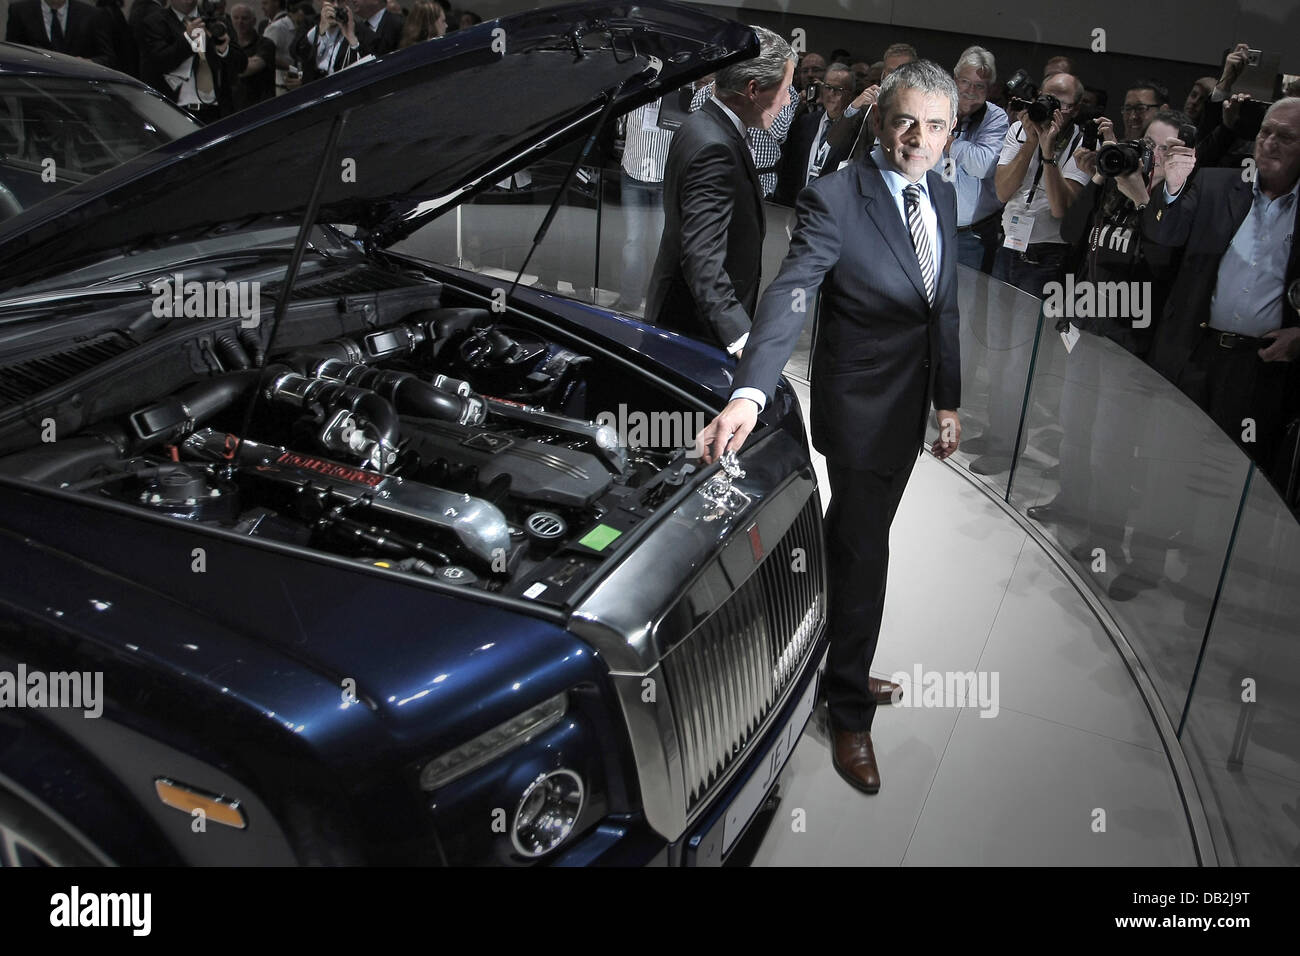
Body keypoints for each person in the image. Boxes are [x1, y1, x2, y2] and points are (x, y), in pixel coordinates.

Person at [696, 60, 962, 795]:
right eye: (906, 120)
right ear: (881, 119)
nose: (918, 138)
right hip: (862, 414)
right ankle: (847, 711)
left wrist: (949, 400)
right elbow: (791, 294)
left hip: (911, 409)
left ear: (950, 133)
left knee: (852, 537)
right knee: (867, 553)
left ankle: (833, 655)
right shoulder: (836, 198)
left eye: (935, 126)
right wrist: (750, 393)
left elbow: (945, 307)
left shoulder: (940, 190)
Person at [1142, 97, 1300, 479]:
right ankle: (1155, 538)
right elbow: (1163, 233)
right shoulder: (1215, 183)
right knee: (1166, 460)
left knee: (1231, 476)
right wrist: (1173, 190)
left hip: (1259, 368)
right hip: (1194, 351)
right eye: (1265, 131)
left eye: (1286, 136)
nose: (1270, 142)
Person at [644, 26, 796, 352]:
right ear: (753, 89)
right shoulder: (715, 146)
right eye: (785, 90)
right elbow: (702, 256)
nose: (787, 102)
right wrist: (740, 336)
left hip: (688, 318)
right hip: (695, 329)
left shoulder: (702, 123)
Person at [948, 45, 1009, 273]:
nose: (970, 90)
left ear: (990, 88)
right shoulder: (936, 107)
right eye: (965, 81)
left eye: (979, 85)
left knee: (966, 305)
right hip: (927, 230)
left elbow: (982, 165)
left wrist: (950, 144)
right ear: (954, 79)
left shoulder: (995, 117)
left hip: (971, 237)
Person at [140, 0, 246, 122]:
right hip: (176, 112)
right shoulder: (155, 22)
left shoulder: (217, 21)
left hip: (217, 112)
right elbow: (159, 63)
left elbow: (242, 64)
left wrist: (225, 50)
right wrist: (188, 40)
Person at [773, 61, 854, 206]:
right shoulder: (805, 122)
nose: (831, 94)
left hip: (831, 209)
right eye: (828, 88)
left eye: (838, 89)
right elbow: (789, 166)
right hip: (795, 206)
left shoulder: (856, 130)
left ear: (850, 94)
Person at [6, 0, 115, 66]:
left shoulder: (91, 15)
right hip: (34, 88)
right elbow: (12, 53)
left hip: (79, 90)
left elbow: (108, 58)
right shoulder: (19, 11)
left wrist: (88, 62)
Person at [300, 0, 374, 81]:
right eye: (331, 1)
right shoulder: (309, 23)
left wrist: (352, 38)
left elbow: (368, 67)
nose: (335, 5)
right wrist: (319, 31)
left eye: (340, 1)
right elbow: (298, 52)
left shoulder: (362, 31)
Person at [229, 2, 274, 109]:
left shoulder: (266, 44)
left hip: (260, 107)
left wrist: (225, 65)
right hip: (232, 108)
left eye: (244, 18)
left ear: (253, 21)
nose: (240, 22)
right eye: (236, 18)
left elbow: (247, 69)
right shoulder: (228, 44)